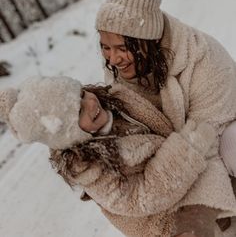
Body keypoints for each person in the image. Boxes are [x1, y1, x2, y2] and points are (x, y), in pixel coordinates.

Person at [94, 0, 236, 235]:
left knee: (233, 143)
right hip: (180, 147)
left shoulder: (205, 57)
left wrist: (195, 216)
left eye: (122, 48)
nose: (112, 59)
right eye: (105, 47)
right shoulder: (120, 68)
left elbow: (205, 139)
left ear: (147, 41)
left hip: (218, 134)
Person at [0, 76, 223, 237]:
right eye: (79, 111)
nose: (91, 104)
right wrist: (189, 148)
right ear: (68, 136)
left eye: (82, 94)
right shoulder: (89, 169)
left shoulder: (116, 102)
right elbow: (144, 195)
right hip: (165, 222)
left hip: (190, 180)